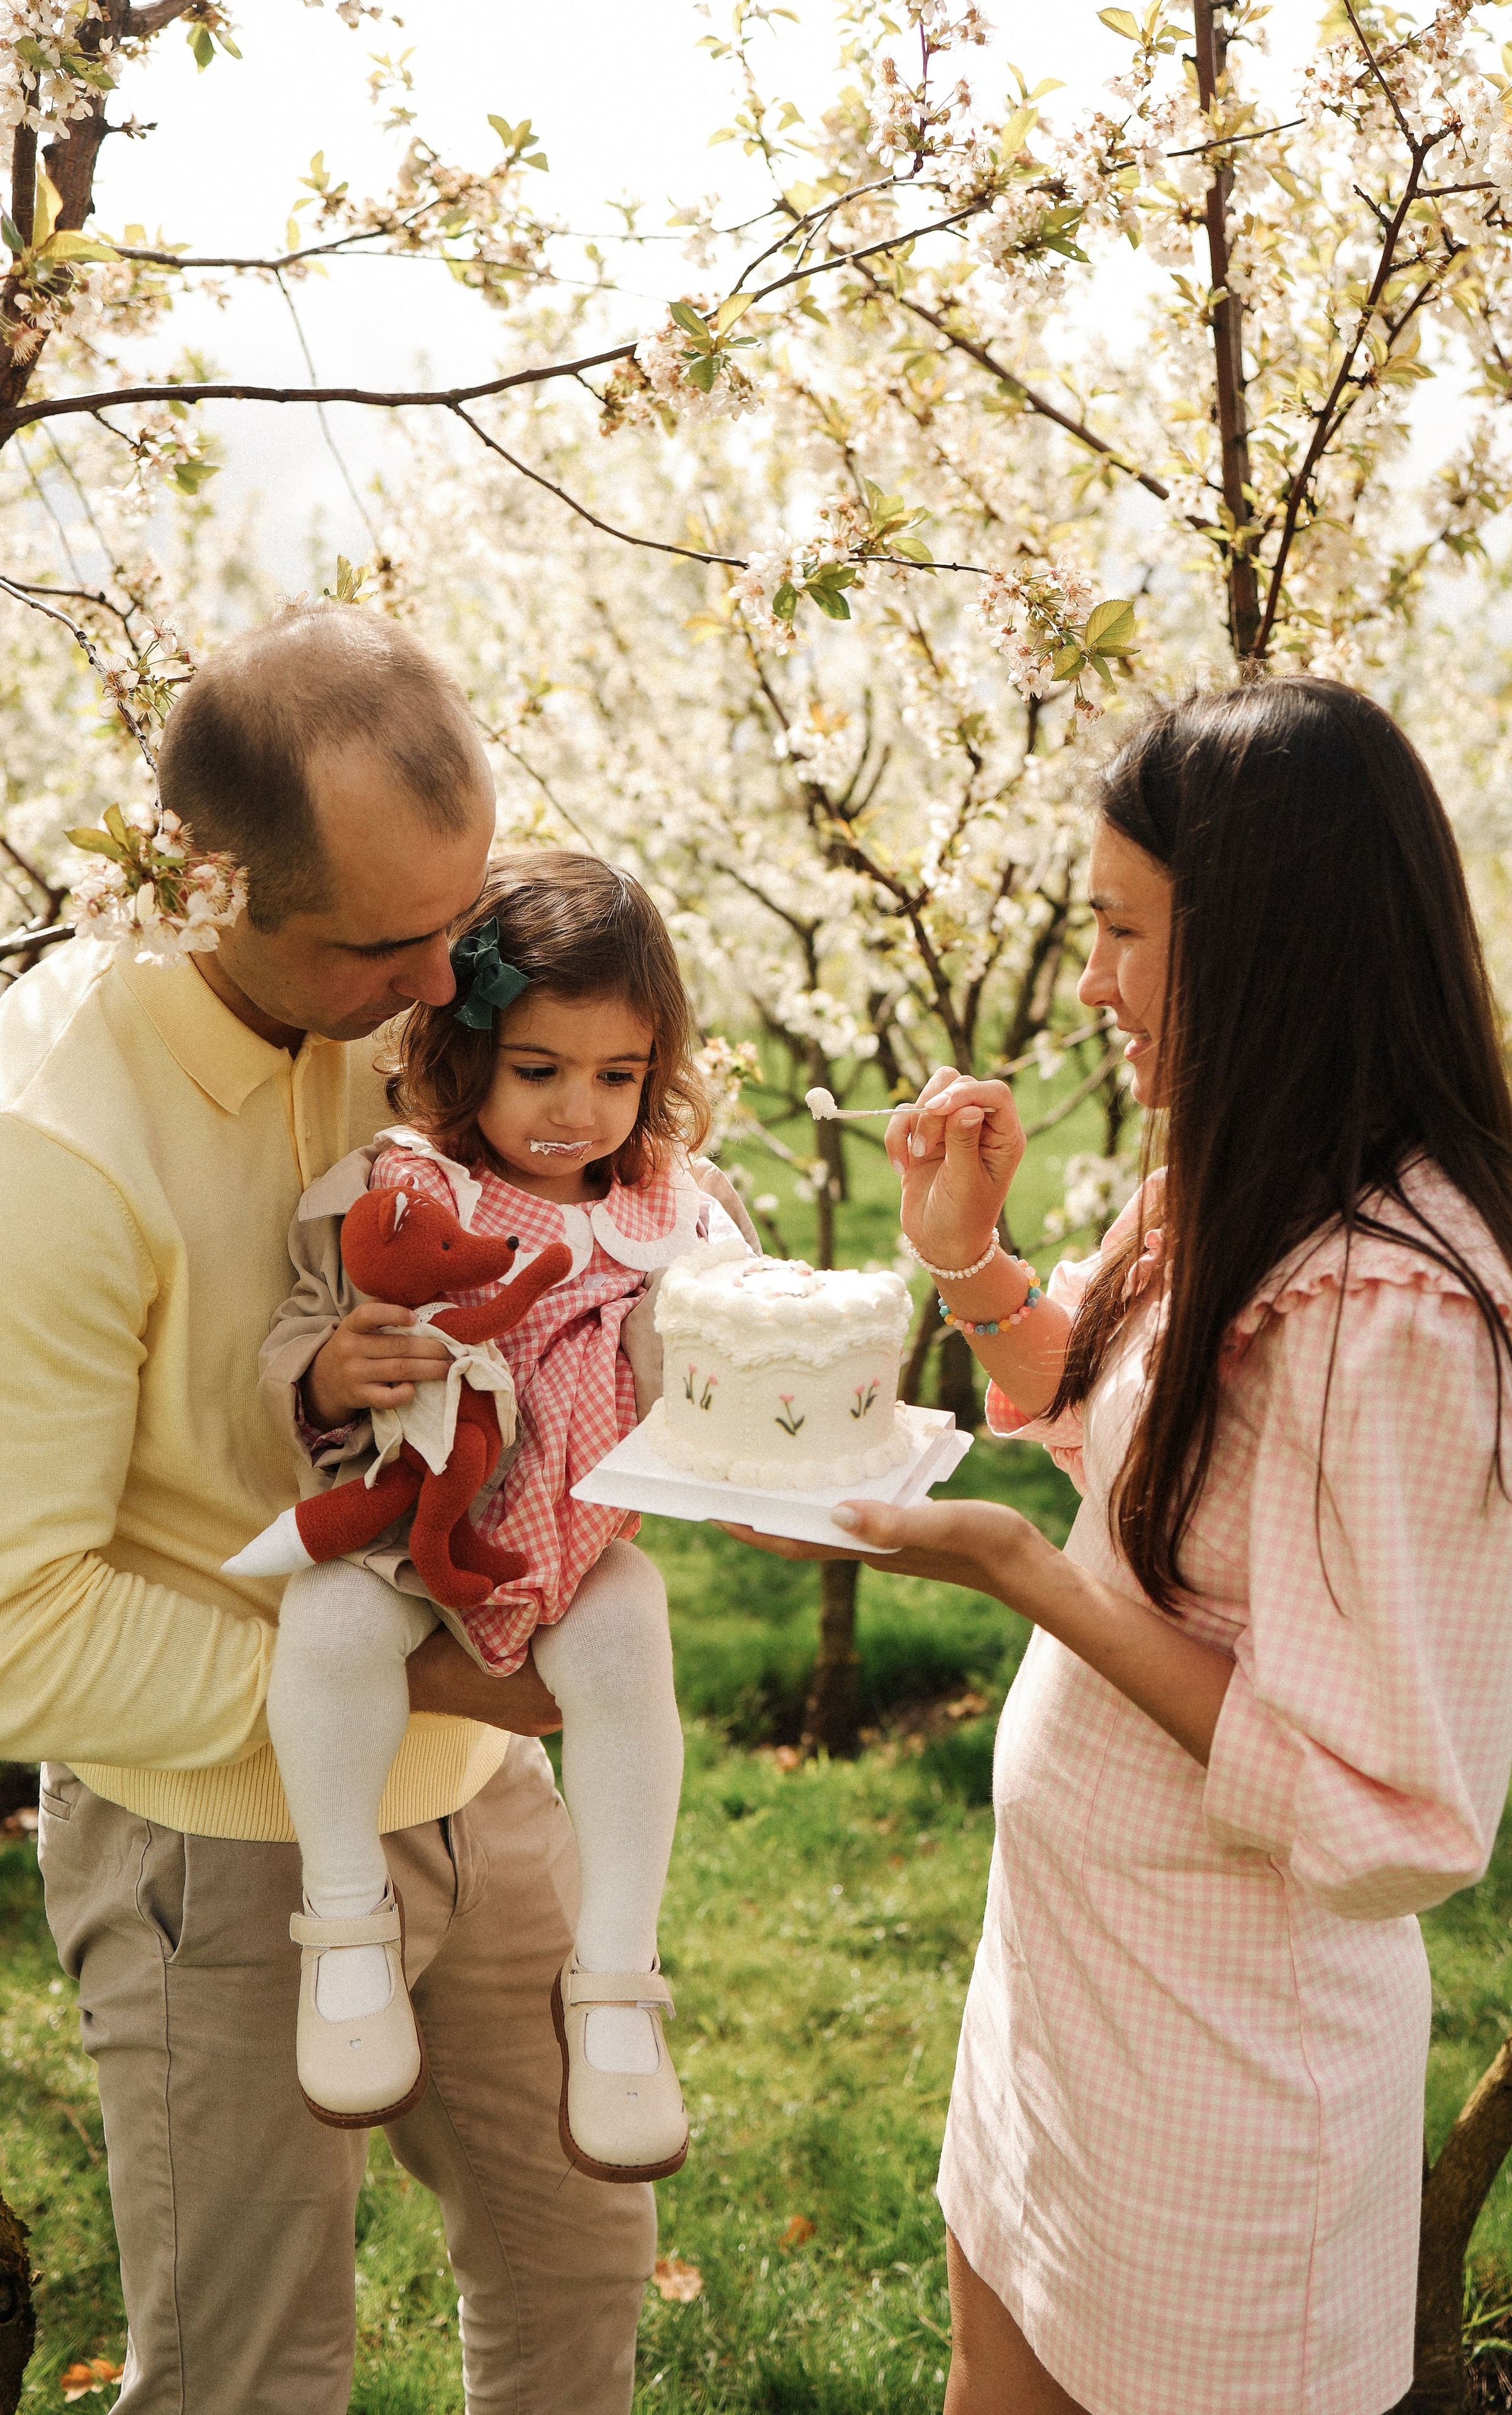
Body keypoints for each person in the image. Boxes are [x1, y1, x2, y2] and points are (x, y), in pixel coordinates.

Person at [722, 679, 1512, 2415]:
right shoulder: (1236, 1177)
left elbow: (1397, 1815)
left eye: (1123, 932)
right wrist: (968, 1264)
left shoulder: (1401, 1315)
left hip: (1224, 2080)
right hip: (1062, 1995)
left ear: (1264, 938)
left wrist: (1025, 1582)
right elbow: (1142, 1459)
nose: (1093, 981)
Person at [0, 604, 659, 2414]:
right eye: (389, 945)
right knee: (251, 2375)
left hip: (480, 1799)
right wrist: (431, 1685)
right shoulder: (53, 1146)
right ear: (213, 894)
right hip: (215, 1846)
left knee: (578, 2275)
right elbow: (17, 1624)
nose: (454, 987)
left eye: (462, 920)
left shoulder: (423, 1012)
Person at [245, 850, 752, 2177]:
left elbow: (735, 1340)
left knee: (629, 1647)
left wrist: (712, 1342)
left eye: (617, 1075)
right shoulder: (412, 1190)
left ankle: (617, 1979)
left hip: (578, 1546)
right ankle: (346, 1924)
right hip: (413, 1534)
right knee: (329, 1625)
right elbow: (305, 1327)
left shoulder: (670, 1210)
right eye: (539, 1070)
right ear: (463, 1051)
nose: (578, 1110)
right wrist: (330, 1366)